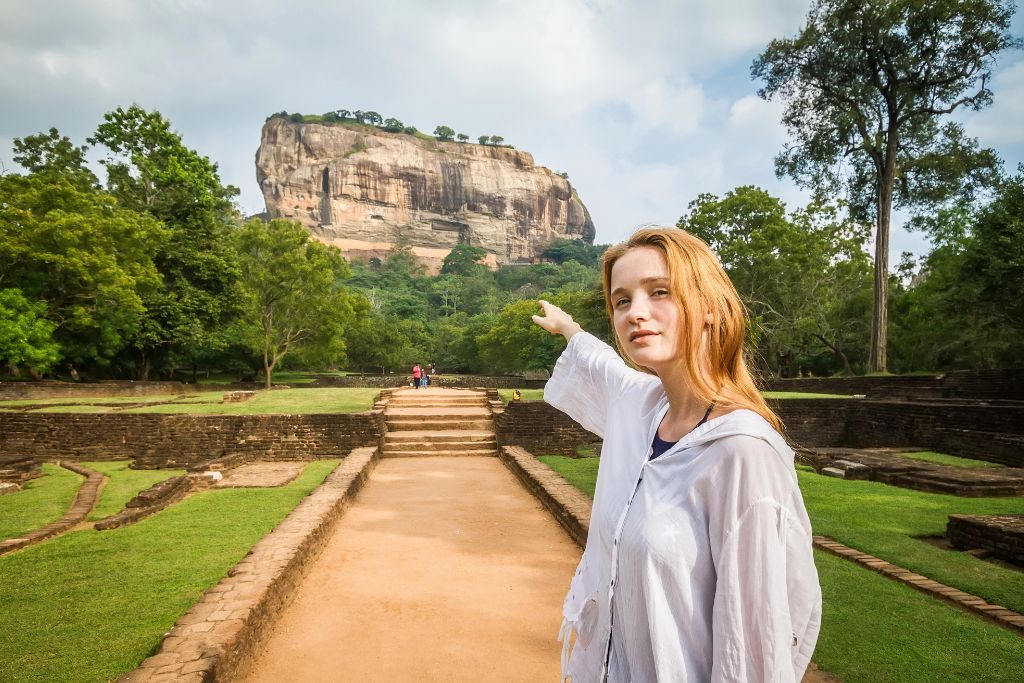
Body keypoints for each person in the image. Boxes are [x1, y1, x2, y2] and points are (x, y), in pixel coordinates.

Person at [532, 227, 821, 682]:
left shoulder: (741, 451)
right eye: (622, 300)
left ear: (709, 307)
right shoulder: (643, 408)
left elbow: (751, 646)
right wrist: (570, 328)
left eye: (660, 292)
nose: (635, 313)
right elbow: (601, 365)